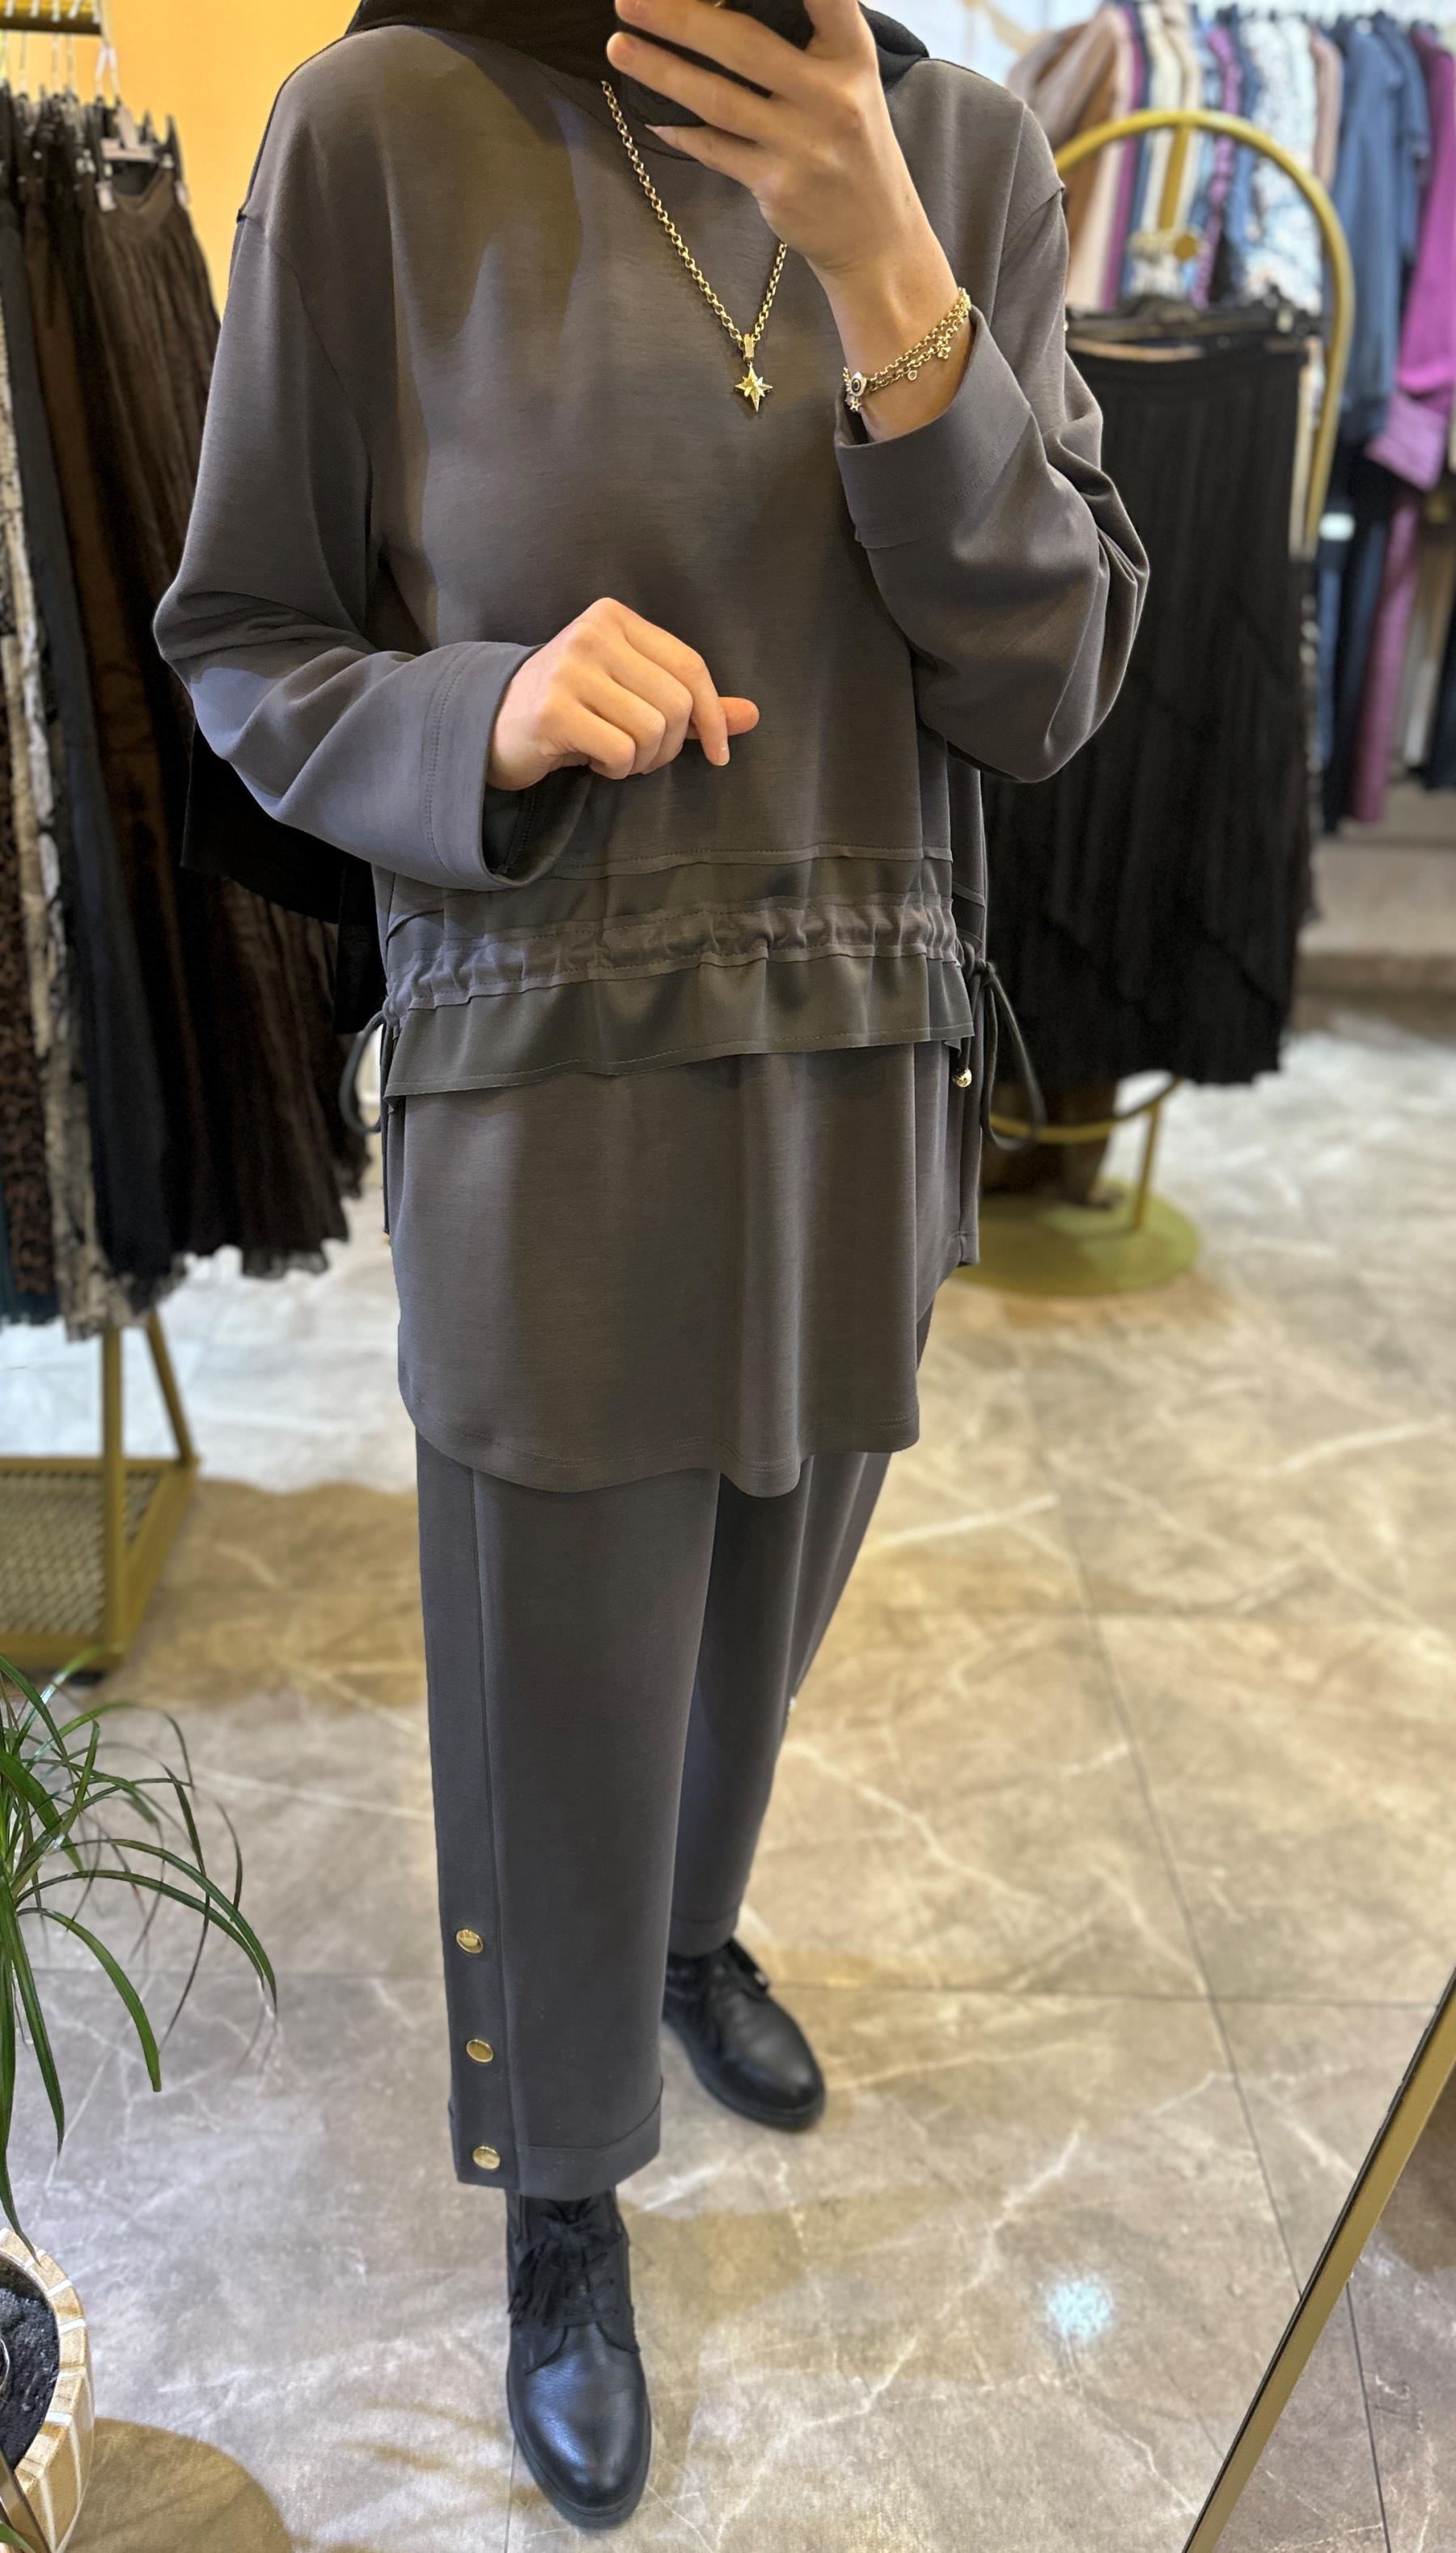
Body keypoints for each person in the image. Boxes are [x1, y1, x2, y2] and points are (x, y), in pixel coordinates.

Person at [155, 0, 1145, 2526]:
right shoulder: (384, 134)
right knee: (562, 1658)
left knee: (773, 1580)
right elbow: (242, 642)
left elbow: (1048, 685)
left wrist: (894, 279)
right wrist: (485, 713)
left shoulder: (959, 155)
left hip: (865, 1038)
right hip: (546, 1055)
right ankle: (566, 2173)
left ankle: (692, 1938)